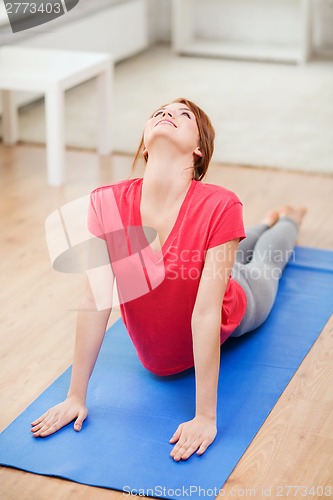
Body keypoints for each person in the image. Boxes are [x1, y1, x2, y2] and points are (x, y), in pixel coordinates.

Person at [31, 98, 306, 461]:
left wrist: (205, 417)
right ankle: (256, 227)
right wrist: (74, 396)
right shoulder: (106, 204)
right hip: (210, 257)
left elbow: (206, 313)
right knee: (239, 244)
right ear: (145, 144)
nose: (166, 114)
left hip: (236, 298)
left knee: (268, 263)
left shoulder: (222, 205)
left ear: (199, 150)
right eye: (160, 111)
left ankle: (289, 220)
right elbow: (95, 300)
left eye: (183, 114)